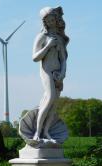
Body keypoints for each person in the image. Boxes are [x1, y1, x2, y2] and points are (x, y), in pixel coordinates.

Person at [32, 6, 69, 142]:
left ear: (56, 19)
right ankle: (37, 133)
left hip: (58, 73)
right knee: (49, 98)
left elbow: (63, 59)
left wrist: (62, 74)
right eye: (47, 20)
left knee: (54, 104)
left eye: (52, 18)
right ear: (44, 22)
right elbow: (35, 57)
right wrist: (47, 46)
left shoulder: (59, 38)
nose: (51, 21)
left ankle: (46, 132)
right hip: (46, 71)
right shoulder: (42, 36)